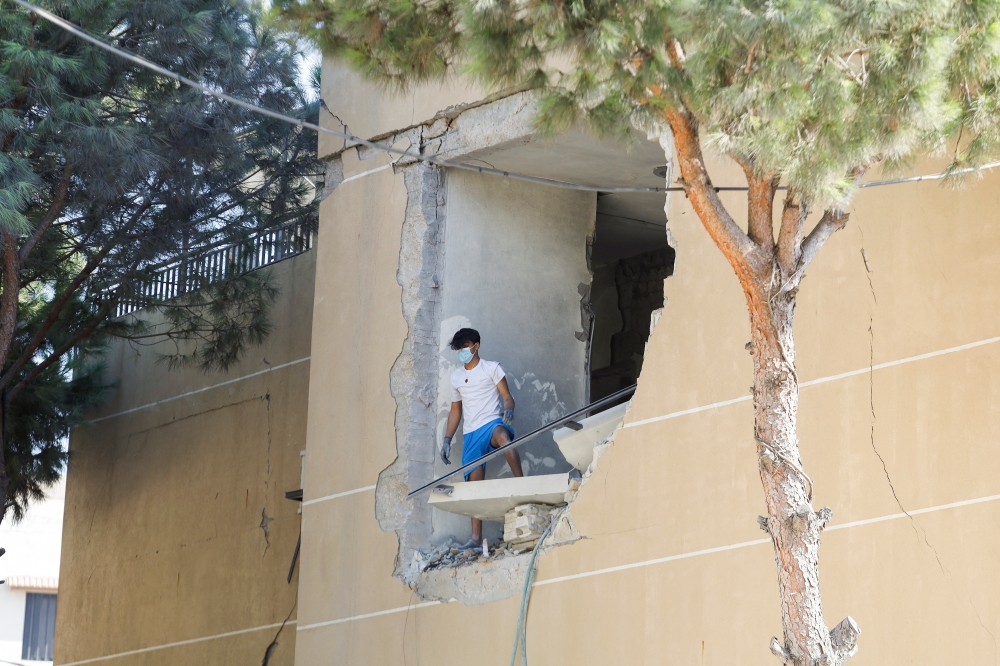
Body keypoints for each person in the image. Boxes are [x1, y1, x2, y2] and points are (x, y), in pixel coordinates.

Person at [440, 327, 523, 549]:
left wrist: (509, 410)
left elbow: (507, 397)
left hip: (491, 424)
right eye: (458, 349)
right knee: (473, 487)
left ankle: (522, 483)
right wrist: (447, 439)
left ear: (476, 346)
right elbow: (456, 410)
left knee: (505, 438)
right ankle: (476, 538)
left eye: (464, 347)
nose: (461, 352)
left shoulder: (491, 368)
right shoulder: (456, 377)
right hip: (471, 433)